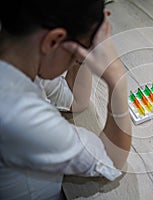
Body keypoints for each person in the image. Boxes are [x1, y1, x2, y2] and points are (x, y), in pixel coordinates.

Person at [0, 0, 132, 199]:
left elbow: (76, 102)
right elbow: (112, 158)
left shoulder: (16, 53)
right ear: (53, 41)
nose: (78, 57)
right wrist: (117, 79)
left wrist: (82, 45)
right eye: (77, 54)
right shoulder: (20, 115)